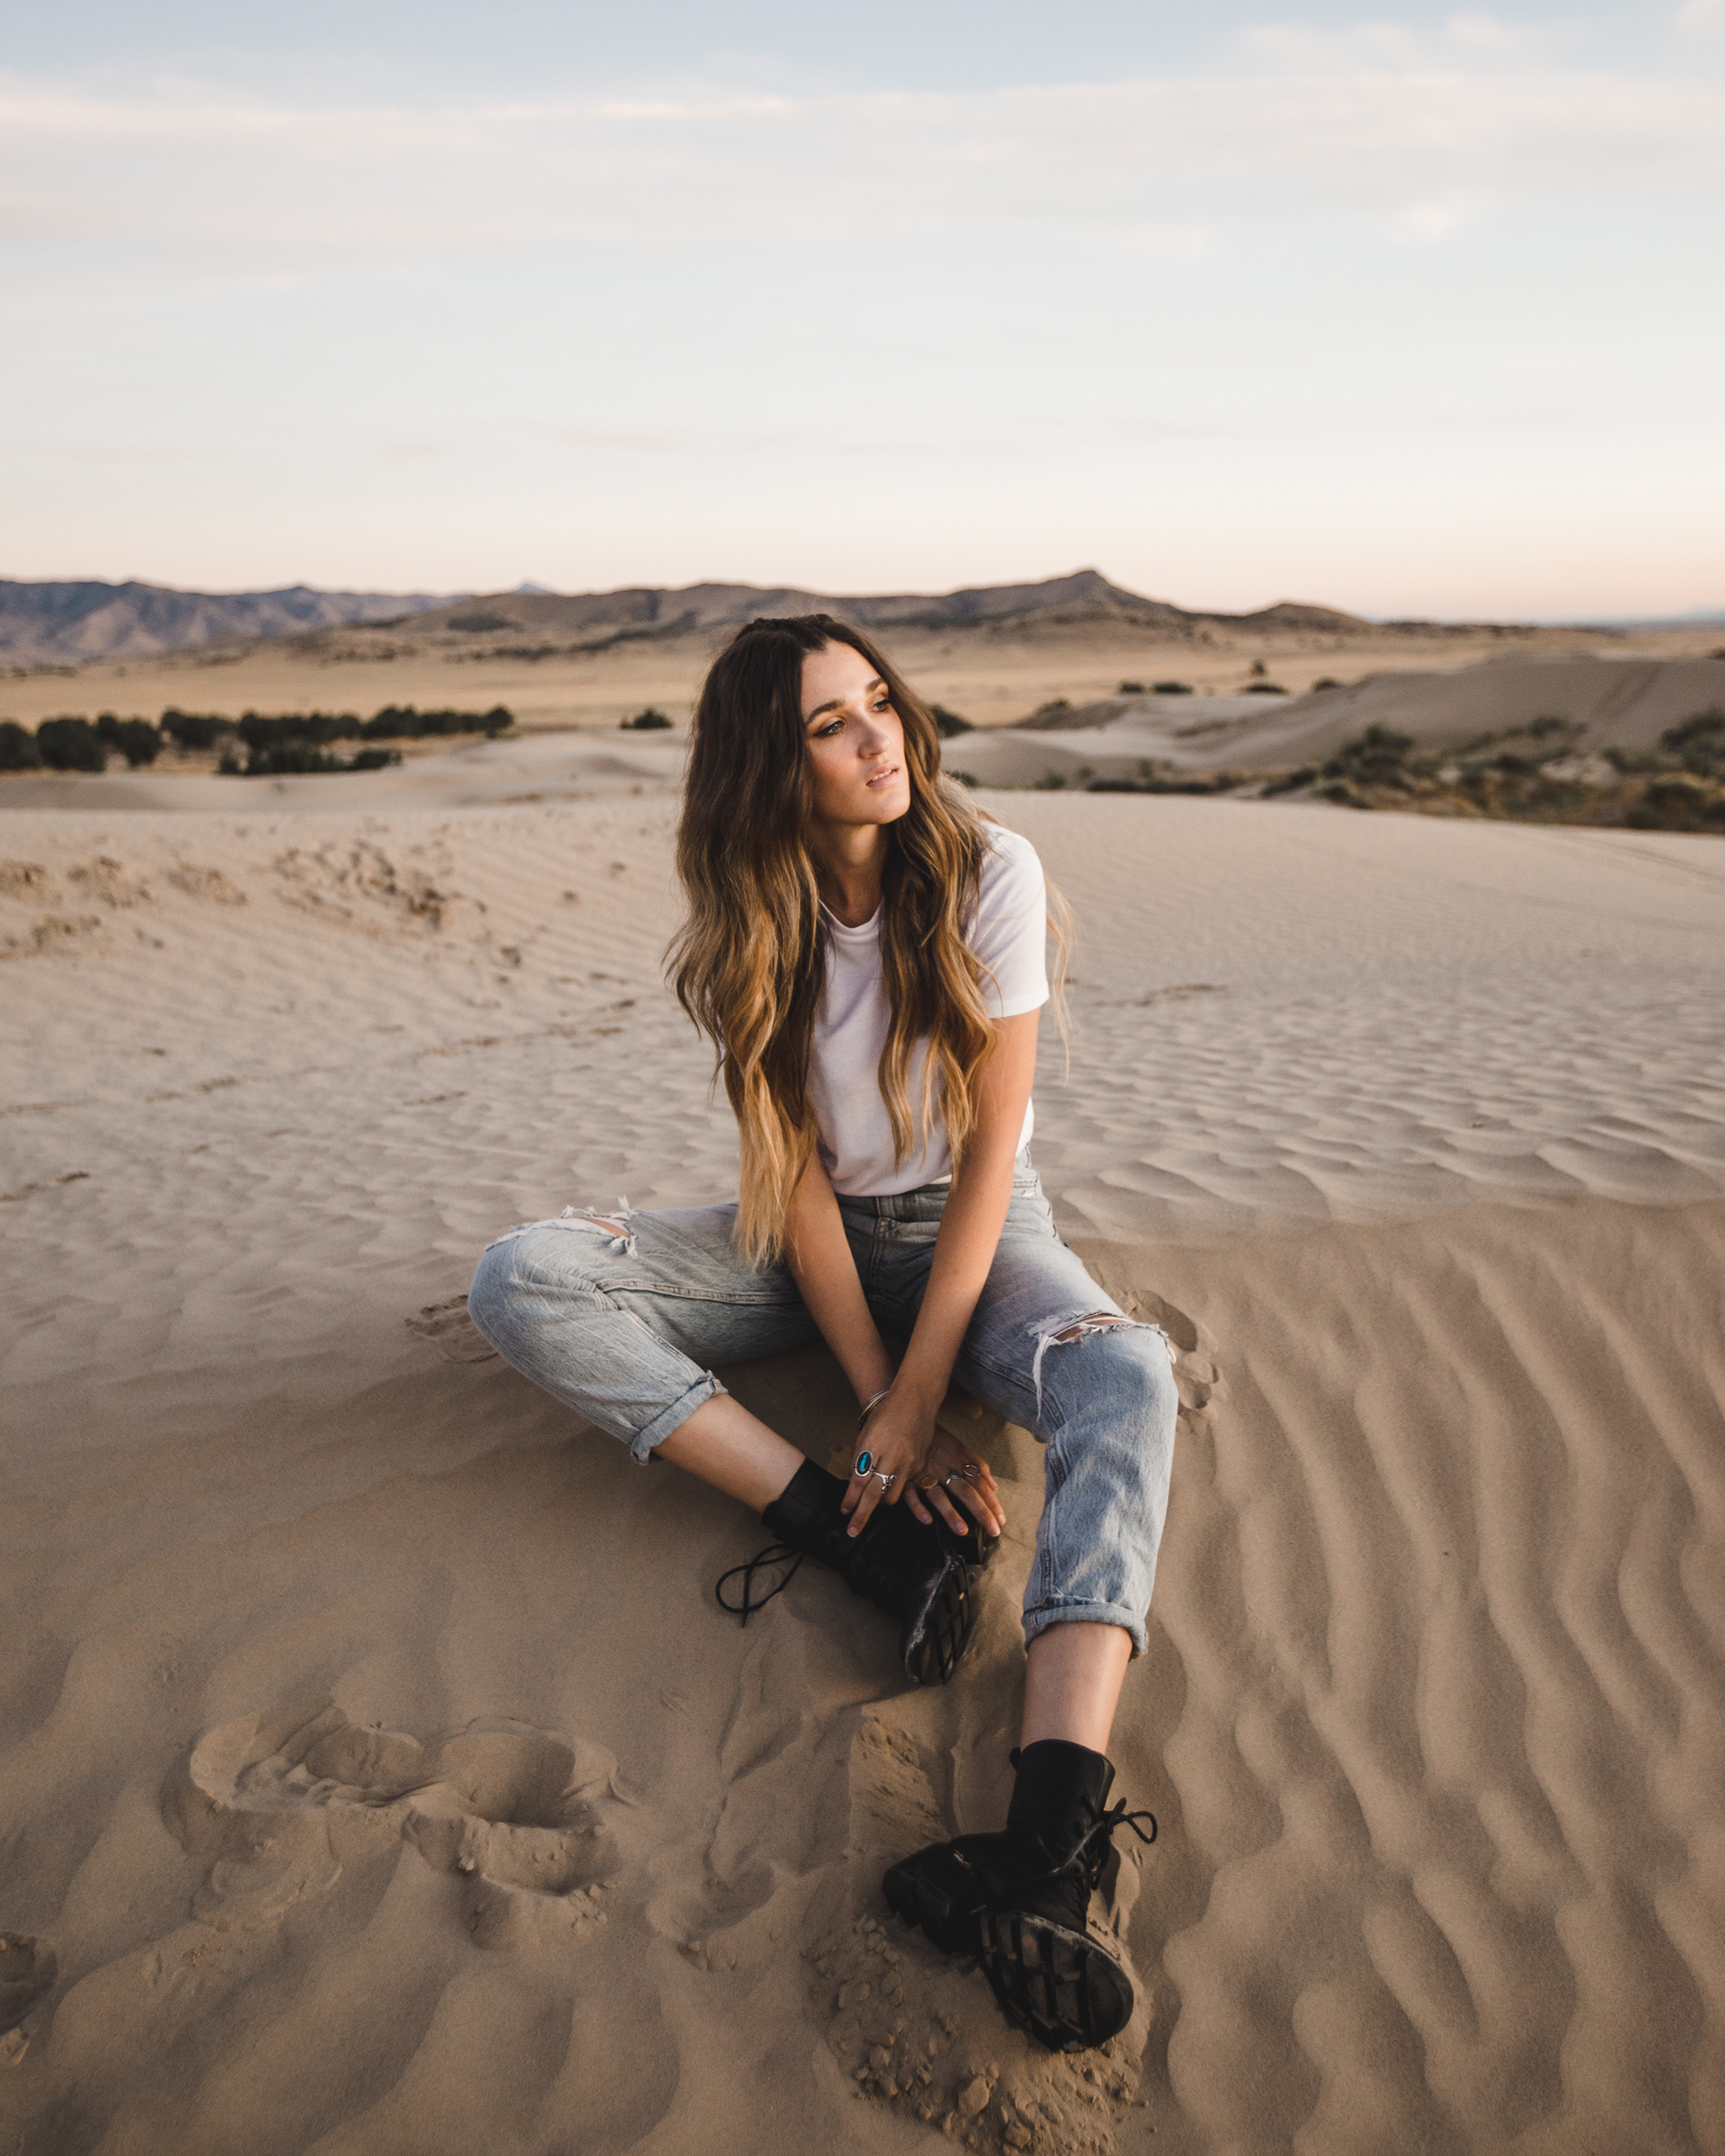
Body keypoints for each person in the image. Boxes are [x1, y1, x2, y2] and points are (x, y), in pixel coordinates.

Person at [467, 614, 1178, 2051]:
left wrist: (922, 1391)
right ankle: (850, 1535)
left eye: (882, 705)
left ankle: (1052, 1842)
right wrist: (870, 1408)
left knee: (1128, 1375)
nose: (880, 741)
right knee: (522, 1278)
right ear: (768, 771)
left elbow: (988, 1158)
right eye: (830, 726)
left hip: (980, 1234)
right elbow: (787, 1175)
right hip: (814, 1255)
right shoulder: (754, 915)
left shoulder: (989, 871)